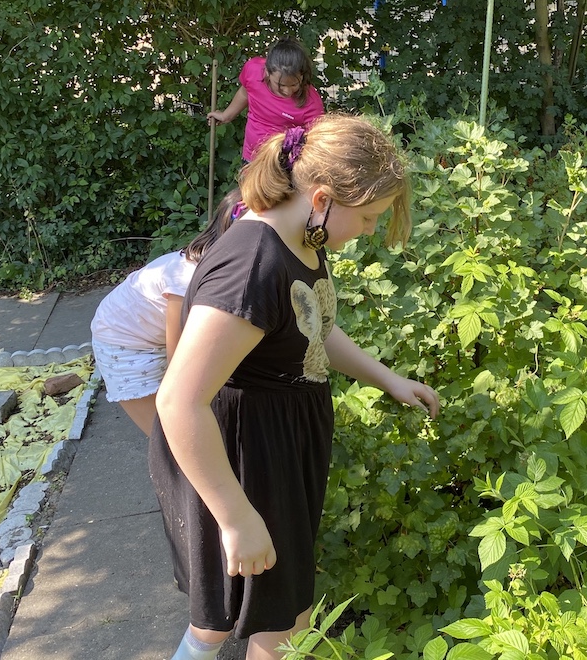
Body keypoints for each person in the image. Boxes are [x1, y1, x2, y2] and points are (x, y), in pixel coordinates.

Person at [151, 115, 440, 660]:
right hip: (241, 455)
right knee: (283, 620)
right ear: (323, 198)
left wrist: (388, 380)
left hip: (275, 444)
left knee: (235, 611)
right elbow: (178, 400)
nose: (371, 231)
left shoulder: (300, 237)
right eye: (370, 217)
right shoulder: (252, 265)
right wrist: (236, 516)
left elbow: (313, 326)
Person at [90, 190, 244, 435]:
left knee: (190, 429)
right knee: (170, 438)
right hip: (124, 348)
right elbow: (178, 357)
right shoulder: (185, 278)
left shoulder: (209, 267)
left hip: (142, 335)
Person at [207, 37, 325, 162]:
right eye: (281, 85)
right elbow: (244, 92)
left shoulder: (311, 102)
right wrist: (226, 116)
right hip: (251, 158)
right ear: (267, 72)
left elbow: (316, 141)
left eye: (294, 85)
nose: (287, 91)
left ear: (302, 75)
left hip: (283, 167)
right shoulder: (253, 71)